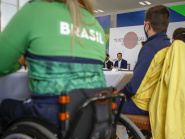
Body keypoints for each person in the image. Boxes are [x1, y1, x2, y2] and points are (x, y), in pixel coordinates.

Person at [0, 0, 106, 129]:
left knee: (5, 105)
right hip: (91, 113)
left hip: (52, 114)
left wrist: (19, 62)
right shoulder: (95, 23)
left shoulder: (36, 9)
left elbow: (2, 65)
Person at [118, 5, 171, 115]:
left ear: (147, 25)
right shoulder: (169, 46)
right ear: (167, 25)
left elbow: (133, 88)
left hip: (142, 105)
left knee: (102, 103)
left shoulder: (150, 48)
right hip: (160, 103)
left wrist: (118, 95)